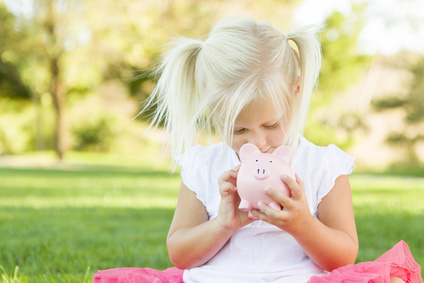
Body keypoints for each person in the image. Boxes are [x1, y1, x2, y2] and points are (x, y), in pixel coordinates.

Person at [93, 16, 422, 283]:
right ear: (214, 113)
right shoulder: (204, 166)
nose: (257, 142)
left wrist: (301, 223)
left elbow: (343, 257)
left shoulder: (323, 165)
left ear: (295, 92)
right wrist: (222, 223)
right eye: (237, 130)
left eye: (270, 125)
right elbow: (180, 254)